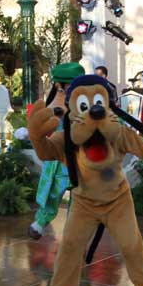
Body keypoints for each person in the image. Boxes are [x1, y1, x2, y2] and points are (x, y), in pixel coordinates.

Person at [29, 63, 85, 240]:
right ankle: (41, 221)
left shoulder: (84, 102)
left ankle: (74, 234)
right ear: (58, 85)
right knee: (54, 192)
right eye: (69, 84)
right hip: (58, 159)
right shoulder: (53, 104)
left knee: (79, 198)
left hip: (80, 159)